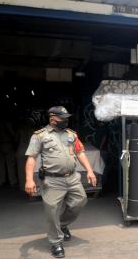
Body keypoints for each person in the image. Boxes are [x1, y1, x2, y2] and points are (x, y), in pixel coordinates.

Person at [24, 106, 97, 258]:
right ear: (53, 119)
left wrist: (90, 170)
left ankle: (62, 225)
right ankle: (56, 242)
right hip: (52, 180)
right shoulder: (40, 136)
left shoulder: (71, 135)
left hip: (72, 177)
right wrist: (29, 180)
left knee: (80, 201)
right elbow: (31, 158)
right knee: (52, 211)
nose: (66, 121)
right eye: (63, 119)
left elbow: (80, 152)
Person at [0, 116, 18, 187]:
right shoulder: (7, 123)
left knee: (0, 163)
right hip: (7, 144)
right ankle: (12, 181)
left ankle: (0, 181)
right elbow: (12, 133)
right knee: (10, 163)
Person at [15, 116, 37, 191]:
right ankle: (33, 188)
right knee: (33, 170)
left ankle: (22, 187)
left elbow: (15, 140)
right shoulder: (35, 131)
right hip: (32, 151)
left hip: (21, 150)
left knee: (21, 171)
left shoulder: (20, 130)